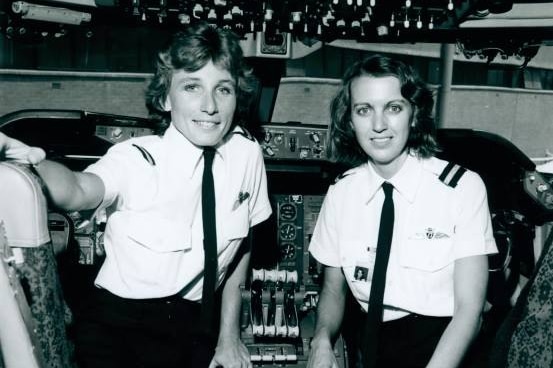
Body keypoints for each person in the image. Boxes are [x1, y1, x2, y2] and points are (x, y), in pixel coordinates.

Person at [0, 21, 271, 368]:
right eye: (192, 87)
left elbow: (242, 243)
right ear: (164, 98)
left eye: (223, 89)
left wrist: (229, 336)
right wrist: (27, 165)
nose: (209, 106)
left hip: (197, 327)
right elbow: (78, 189)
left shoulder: (246, 154)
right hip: (119, 331)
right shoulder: (135, 159)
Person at [306, 55, 497, 368]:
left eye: (393, 108)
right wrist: (322, 339)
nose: (378, 125)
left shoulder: (462, 188)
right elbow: (332, 289)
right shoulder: (341, 193)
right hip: (370, 344)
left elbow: (469, 312)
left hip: (443, 348)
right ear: (350, 120)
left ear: (414, 114)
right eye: (364, 110)